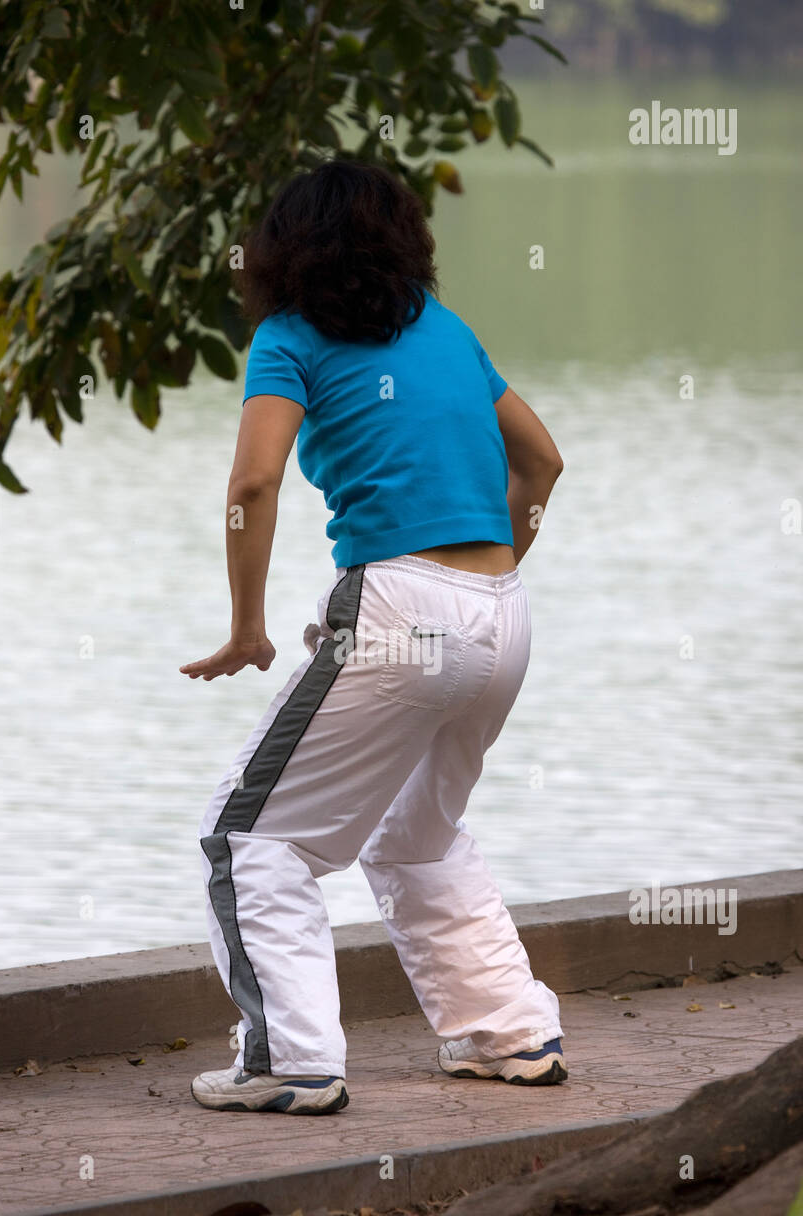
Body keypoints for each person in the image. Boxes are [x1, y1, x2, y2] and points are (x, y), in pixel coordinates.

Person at [180, 159, 566, 1116]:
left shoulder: (286, 338)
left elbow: (252, 485)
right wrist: (493, 562)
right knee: (418, 833)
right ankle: (507, 1035)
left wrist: (247, 626)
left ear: (280, 254)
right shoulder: (448, 331)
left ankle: (292, 1062)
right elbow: (545, 460)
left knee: (248, 837)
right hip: (504, 613)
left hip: (400, 609)